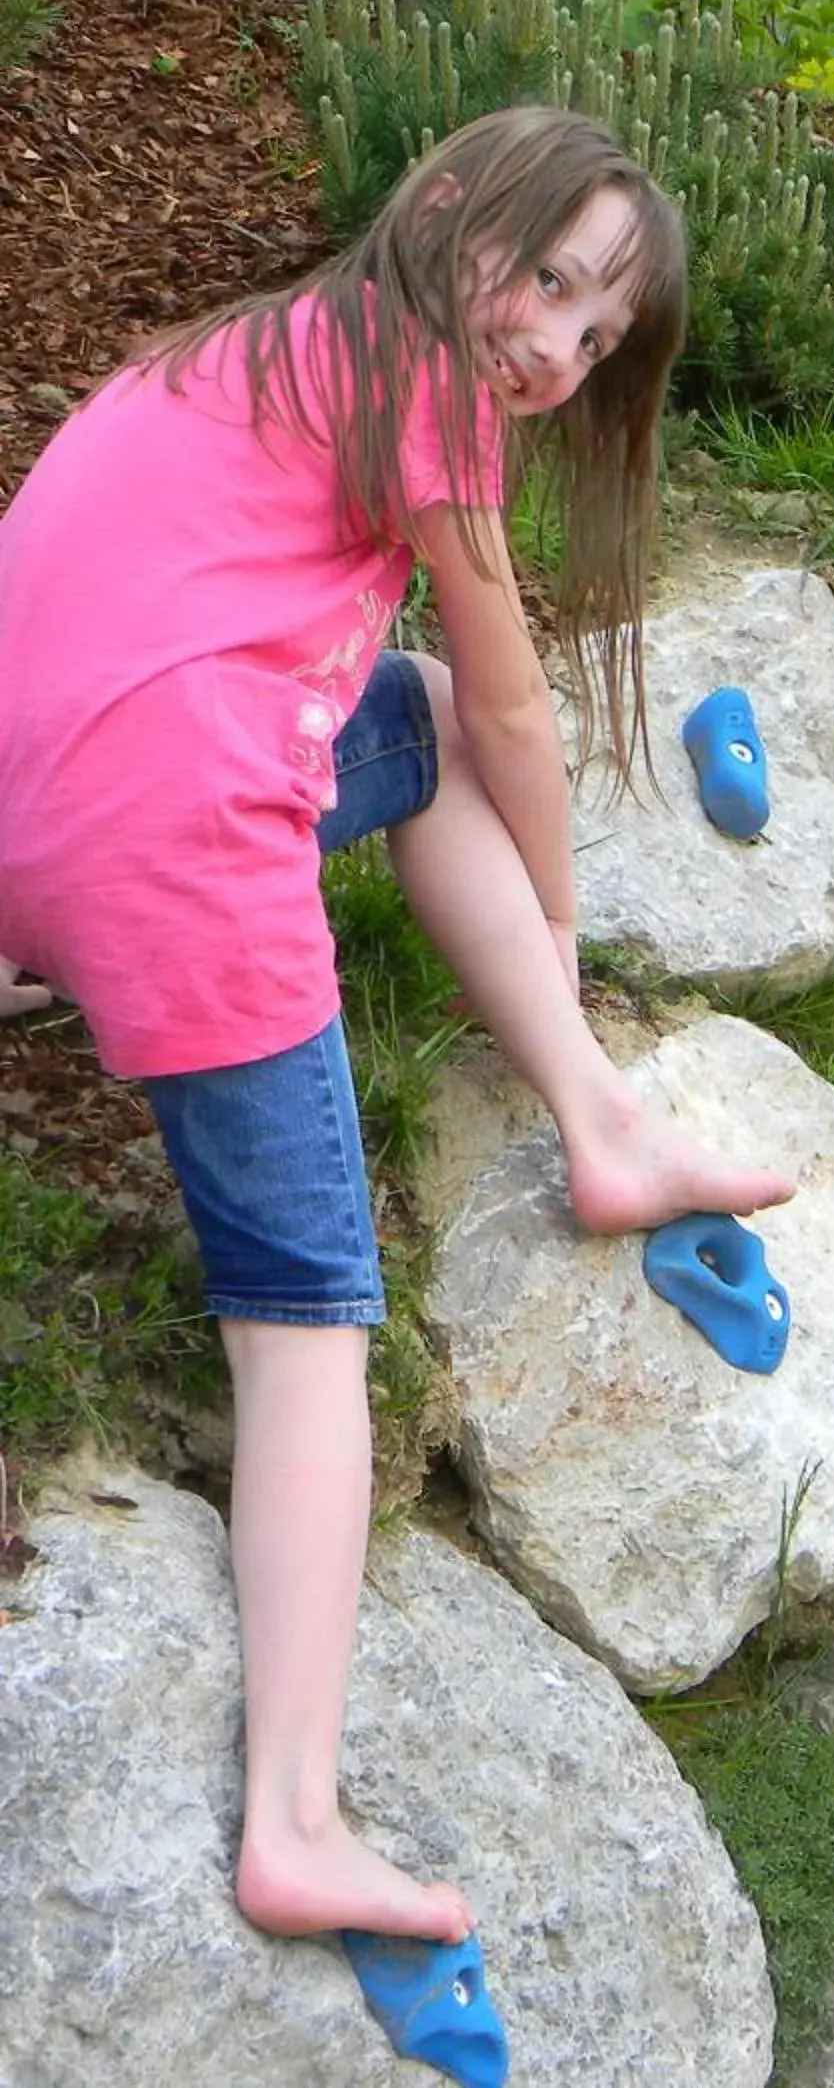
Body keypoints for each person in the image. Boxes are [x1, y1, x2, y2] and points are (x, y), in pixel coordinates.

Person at [0, 107, 793, 1945]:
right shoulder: (427, 398)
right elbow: (521, 716)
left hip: (27, 818)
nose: (558, 347)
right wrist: (566, 921)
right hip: (176, 842)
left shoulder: (259, 345)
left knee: (402, 710)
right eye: (552, 283)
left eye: (600, 336)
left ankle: (600, 1127)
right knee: (304, 1331)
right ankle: (292, 1812)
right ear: (449, 214)